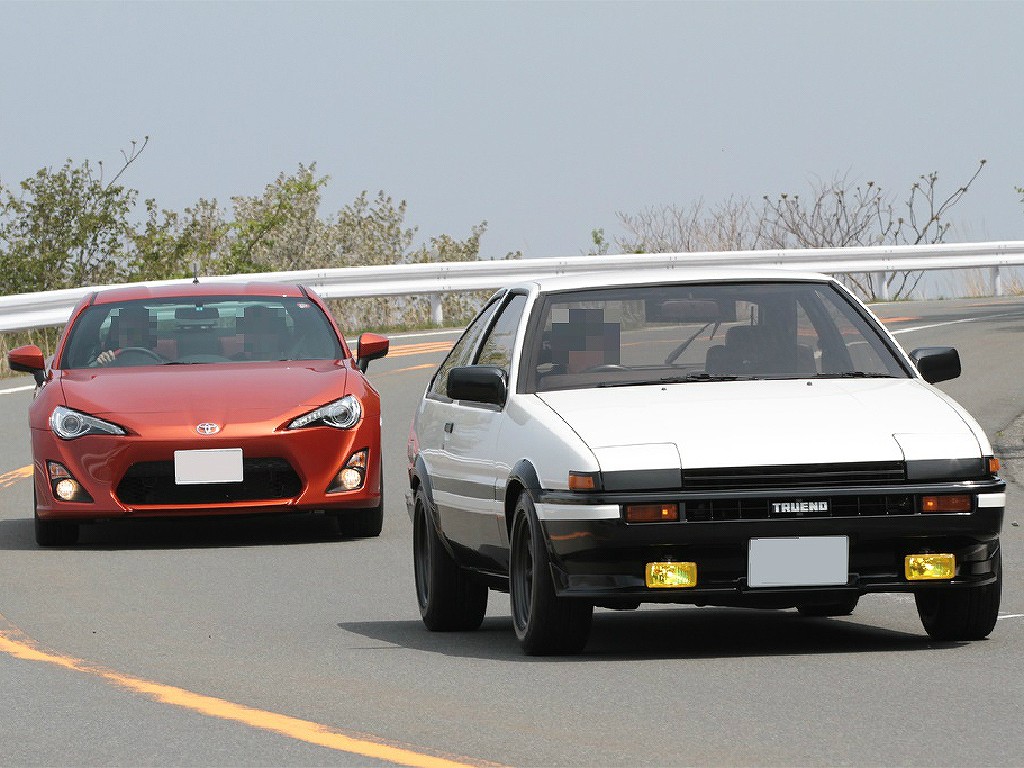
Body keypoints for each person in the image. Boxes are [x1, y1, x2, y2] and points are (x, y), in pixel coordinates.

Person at [91, 305, 157, 366]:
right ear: (115, 332)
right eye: (127, 327)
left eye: (139, 327)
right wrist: (101, 363)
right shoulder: (106, 360)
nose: (132, 332)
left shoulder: (161, 363)